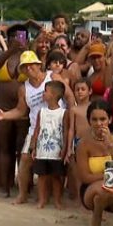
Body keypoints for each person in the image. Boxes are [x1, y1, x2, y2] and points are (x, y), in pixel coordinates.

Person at [0, 50, 55, 205]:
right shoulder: (24, 88)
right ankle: (22, 194)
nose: (28, 69)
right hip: (35, 129)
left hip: (55, 126)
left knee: (56, 163)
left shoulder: (52, 78)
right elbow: (20, 110)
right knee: (25, 159)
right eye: (24, 67)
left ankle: (56, 197)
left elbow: (68, 96)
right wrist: (4, 115)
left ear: (38, 65)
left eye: (31, 65)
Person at [76, 100, 113, 225]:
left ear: (110, 120)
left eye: (102, 119)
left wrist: (110, 148)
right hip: (91, 188)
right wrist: (107, 176)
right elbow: (84, 177)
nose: (98, 123)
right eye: (94, 119)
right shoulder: (83, 144)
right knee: (104, 189)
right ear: (89, 121)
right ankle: (96, 220)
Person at [29, 80, 69, 209]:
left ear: (53, 94)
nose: (43, 94)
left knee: (56, 177)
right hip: (42, 150)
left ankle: (57, 200)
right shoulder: (42, 111)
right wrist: (33, 146)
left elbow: (65, 131)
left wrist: (64, 148)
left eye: (46, 91)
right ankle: (42, 200)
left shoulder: (63, 113)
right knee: (42, 176)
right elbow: (37, 129)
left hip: (56, 151)